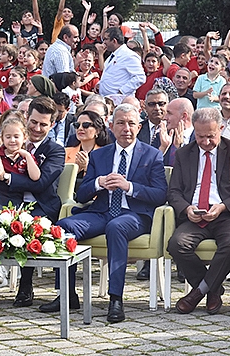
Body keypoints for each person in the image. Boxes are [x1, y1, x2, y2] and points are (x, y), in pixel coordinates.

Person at [46, 103, 167, 322]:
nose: (126, 128)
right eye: (120, 123)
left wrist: (128, 186)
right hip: (101, 211)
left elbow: (160, 195)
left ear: (139, 127)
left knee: (116, 227)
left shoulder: (152, 155)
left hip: (134, 215)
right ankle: (66, 293)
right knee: (63, 226)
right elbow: (81, 195)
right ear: (111, 126)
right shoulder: (100, 155)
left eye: (131, 123)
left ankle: (115, 299)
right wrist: (99, 183)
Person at [0, 96, 65, 309]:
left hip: (39, 205)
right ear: (26, 118)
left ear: (51, 125)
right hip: (6, 200)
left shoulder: (55, 150)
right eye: (33, 122)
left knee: (28, 223)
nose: (37, 128)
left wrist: (6, 177)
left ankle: (26, 285)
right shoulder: (12, 138)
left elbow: (41, 183)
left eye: (44, 124)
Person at [167, 107, 230, 315]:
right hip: (195, 214)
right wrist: (187, 208)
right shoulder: (184, 153)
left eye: (211, 136)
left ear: (221, 129)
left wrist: (223, 206)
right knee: (177, 244)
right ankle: (213, 291)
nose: (206, 142)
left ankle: (197, 294)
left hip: (228, 215)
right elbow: (174, 192)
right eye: (200, 136)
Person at [65, 109, 109, 188]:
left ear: (97, 130)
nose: (80, 128)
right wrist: (75, 169)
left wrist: (87, 168)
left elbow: (104, 182)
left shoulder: (106, 154)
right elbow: (60, 181)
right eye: (77, 125)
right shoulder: (66, 152)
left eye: (85, 125)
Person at [97, 27, 145, 97]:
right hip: (107, 99)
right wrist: (100, 84)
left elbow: (140, 77)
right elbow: (109, 74)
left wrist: (122, 91)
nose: (103, 42)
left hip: (120, 101)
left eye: (106, 39)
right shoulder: (113, 55)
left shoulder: (129, 55)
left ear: (114, 41)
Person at [161, 98, 195, 167]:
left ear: (184, 116)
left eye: (169, 113)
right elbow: (150, 166)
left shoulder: (199, 139)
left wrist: (179, 148)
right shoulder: (163, 137)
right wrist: (163, 148)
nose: (165, 117)